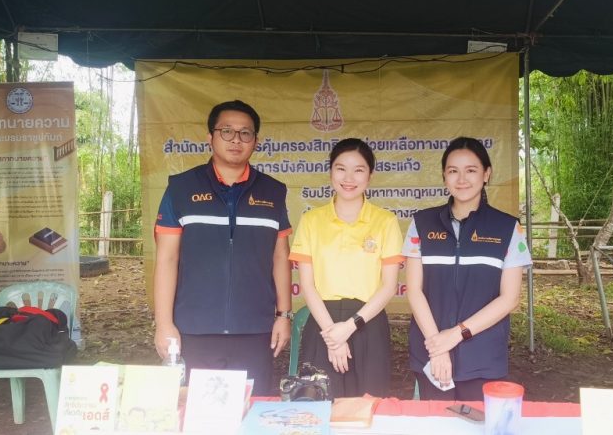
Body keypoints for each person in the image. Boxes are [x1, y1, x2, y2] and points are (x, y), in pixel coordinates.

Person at [153, 100, 292, 396]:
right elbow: (167, 258)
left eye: (245, 133)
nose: (236, 140)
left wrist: (284, 315)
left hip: (255, 329)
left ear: (256, 141)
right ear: (210, 137)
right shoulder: (181, 188)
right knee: (197, 412)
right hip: (194, 328)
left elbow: (280, 256)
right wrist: (164, 324)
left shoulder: (273, 191)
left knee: (253, 408)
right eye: (226, 131)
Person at [404, 137, 531, 400]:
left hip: (483, 357)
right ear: (444, 177)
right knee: (435, 422)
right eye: (453, 171)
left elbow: (510, 298)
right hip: (431, 354)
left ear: (486, 174)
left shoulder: (508, 228)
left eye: (471, 170)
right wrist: (438, 347)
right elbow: (414, 290)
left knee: (478, 420)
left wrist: (456, 334)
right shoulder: (421, 223)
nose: (461, 179)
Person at [289, 138, 404, 398]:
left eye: (358, 170)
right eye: (341, 168)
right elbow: (307, 285)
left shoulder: (385, 221)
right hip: (322, 323)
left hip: (368, 323)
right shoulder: (311, 220)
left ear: (370, 176)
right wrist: (332, 336)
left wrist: (349, 327)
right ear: (330, 172)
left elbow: (388, 286)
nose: (349, 178)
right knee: (319, 405)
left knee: (366, 405)